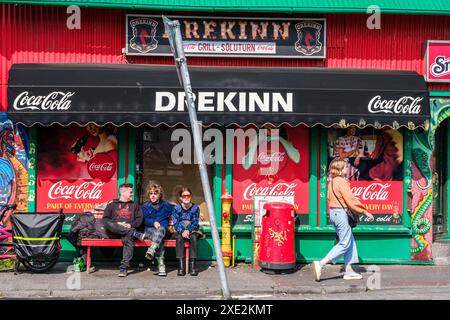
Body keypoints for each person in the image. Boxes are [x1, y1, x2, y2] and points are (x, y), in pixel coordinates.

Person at [312, 159, 374, 282]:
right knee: (345, 243)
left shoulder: (332, 182)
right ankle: (321, 263)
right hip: (341, 214)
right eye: (345, 167)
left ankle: (349, 271)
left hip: (334, 213)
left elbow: (331, 199)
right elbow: (350, 200)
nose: (347, 169)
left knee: (349, 240)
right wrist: (364, 211)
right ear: (340, 170)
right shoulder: (342, 182)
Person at [103, 183, 145, 277]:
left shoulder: (135, 205)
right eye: (130, 192)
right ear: (123, 192)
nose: (132, 194)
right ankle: (134, 233)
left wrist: (130, 225)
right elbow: (105, 220)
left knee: (128, 237)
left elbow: (139, 219)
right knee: (108, 222)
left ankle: (124, 267)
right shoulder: (112, 205)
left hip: (128, 232)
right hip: (113, 232)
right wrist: (118, 224)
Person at [141, 182, 174, 276]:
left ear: (160, 195)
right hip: (149, 231)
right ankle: (161, 264)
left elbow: (181, 208)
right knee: (159, 237)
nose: (153, 195)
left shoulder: (167, 206)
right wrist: (153, 222)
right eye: (151, 193)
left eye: (155, 193)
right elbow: (144, 220)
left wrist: (198, 212)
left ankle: (152, 249)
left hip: (164, 230)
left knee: (161, 230)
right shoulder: (145, 206)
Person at [171, 187, 203, 276]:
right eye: (184, 196)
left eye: (188, 195)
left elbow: (195, 222)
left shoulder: (195, 208)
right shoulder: (176, 208)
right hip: (179, 231)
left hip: (192, 230)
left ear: (191, 196)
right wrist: (182, 231)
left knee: (193, 237)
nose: (186, 198)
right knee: (179, 237)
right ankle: (181, 266)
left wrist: (188, 230)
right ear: (181, 197)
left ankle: (192, 265)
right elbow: (176, 222)